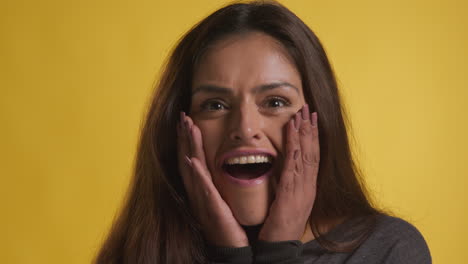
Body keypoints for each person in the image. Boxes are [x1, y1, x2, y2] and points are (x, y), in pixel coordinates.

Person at [94, 1, 431, 263]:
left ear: (319, 117)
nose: (244, 128)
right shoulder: (134, 255)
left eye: (274, 101)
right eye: (214, 105)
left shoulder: (388, 250)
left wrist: (278, 252)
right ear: (179, 129)